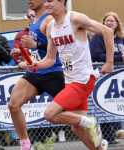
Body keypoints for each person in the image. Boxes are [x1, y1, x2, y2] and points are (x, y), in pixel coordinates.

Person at [25, 0, 114, 150]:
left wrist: (109, 62)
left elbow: (108, 31)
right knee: (76, 128)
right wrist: (36, 65)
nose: (46, 4)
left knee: (49, 114)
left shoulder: (75, 19)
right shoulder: (50, 27)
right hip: (70, 80)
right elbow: (50, 59)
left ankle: (90, 122)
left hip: (83, 79)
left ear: (61, 2)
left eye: (50, 1)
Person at [8, 1, 65, 150]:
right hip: (35, 72)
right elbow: (37, 50)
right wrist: (23, 52)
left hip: (53, 72)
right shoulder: (34, 21)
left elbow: (60, 46)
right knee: (13, 105)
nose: (29, 1)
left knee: (74, 115)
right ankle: (25, 145)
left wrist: (36, 45)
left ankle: (94, 135)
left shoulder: (49, 20)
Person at [89, 11, 124, 144]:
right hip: (102, 76)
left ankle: (115, 133)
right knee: (103, 104)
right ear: (103, 23)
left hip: (119, 77)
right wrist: (119, 58)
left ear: (117, 24)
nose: (109, 23)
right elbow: (97, 56)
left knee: (116, 104)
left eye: (112, 21)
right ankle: (106, 136)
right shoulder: (98, 37)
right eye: (107, 21)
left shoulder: (121, 38)